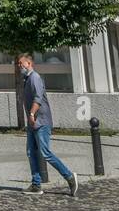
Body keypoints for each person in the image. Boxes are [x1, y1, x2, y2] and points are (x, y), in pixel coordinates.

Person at [17, 53, 78, 196]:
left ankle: (69, 177)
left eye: (21, 63)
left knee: (45, 153)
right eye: (18, 64)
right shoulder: (27, 79)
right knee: (31, 152)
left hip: (41, 121)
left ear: (29, 64)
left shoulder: (35, 78)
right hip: (33, 123)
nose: (19, 66)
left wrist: (32, 114)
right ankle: (36, 185)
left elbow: (38, 98)